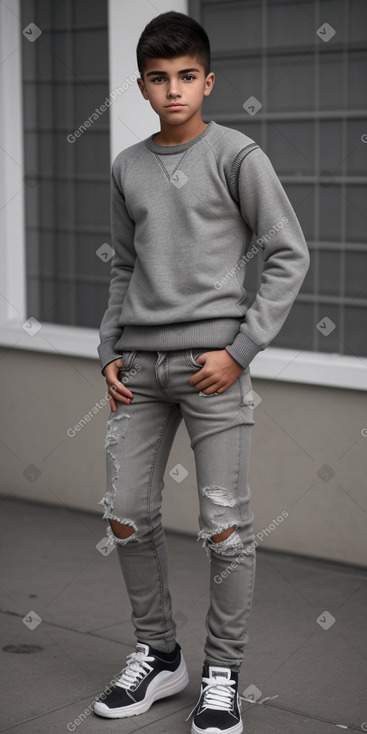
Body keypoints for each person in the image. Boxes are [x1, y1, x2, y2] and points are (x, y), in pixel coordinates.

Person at [92, 10, 310, 734]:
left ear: (207, 81)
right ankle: (158, 654)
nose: (173, 90)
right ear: (142, 87)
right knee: (125, 515)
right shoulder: (126, 166)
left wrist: (239, 349)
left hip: (214, 367)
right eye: (159, 79)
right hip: (140, 371)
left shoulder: (237, 156)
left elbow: (287, 254)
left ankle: (221, 671)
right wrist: (109, 350)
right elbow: (124, 266)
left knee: (224, 526)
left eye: (186, 77)